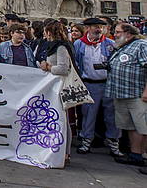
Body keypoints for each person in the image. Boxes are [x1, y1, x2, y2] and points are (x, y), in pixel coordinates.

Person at [73, 18, 121, 157]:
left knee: (111, 115)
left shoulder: (109, 44)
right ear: (88, 28)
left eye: (100, 26)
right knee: (89, 114)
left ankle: (114, 143)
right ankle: (86, 141)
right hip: (89, 82)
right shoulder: (79, 44)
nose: (98, 29)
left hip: (107, 83)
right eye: (95, 26)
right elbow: (76, 62)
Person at [104, 23, 147, 168]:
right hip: (122, 93)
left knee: (143, 127)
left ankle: (143, 154)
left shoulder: (141, 45)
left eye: (117, 32)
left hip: (138, 94)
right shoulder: (121, 46)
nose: (114, 34)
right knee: (130, 126)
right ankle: (136, 155)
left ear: (128, 33)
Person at [39, 20, 75, 166]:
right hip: (54, 87)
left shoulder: (61, 47)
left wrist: (48, 67)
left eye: (45, 31)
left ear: (49, 32)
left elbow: (63, 68)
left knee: (63, 120)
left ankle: (65, 152)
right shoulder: (55, 46)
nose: (44, 34)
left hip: (61, 87)